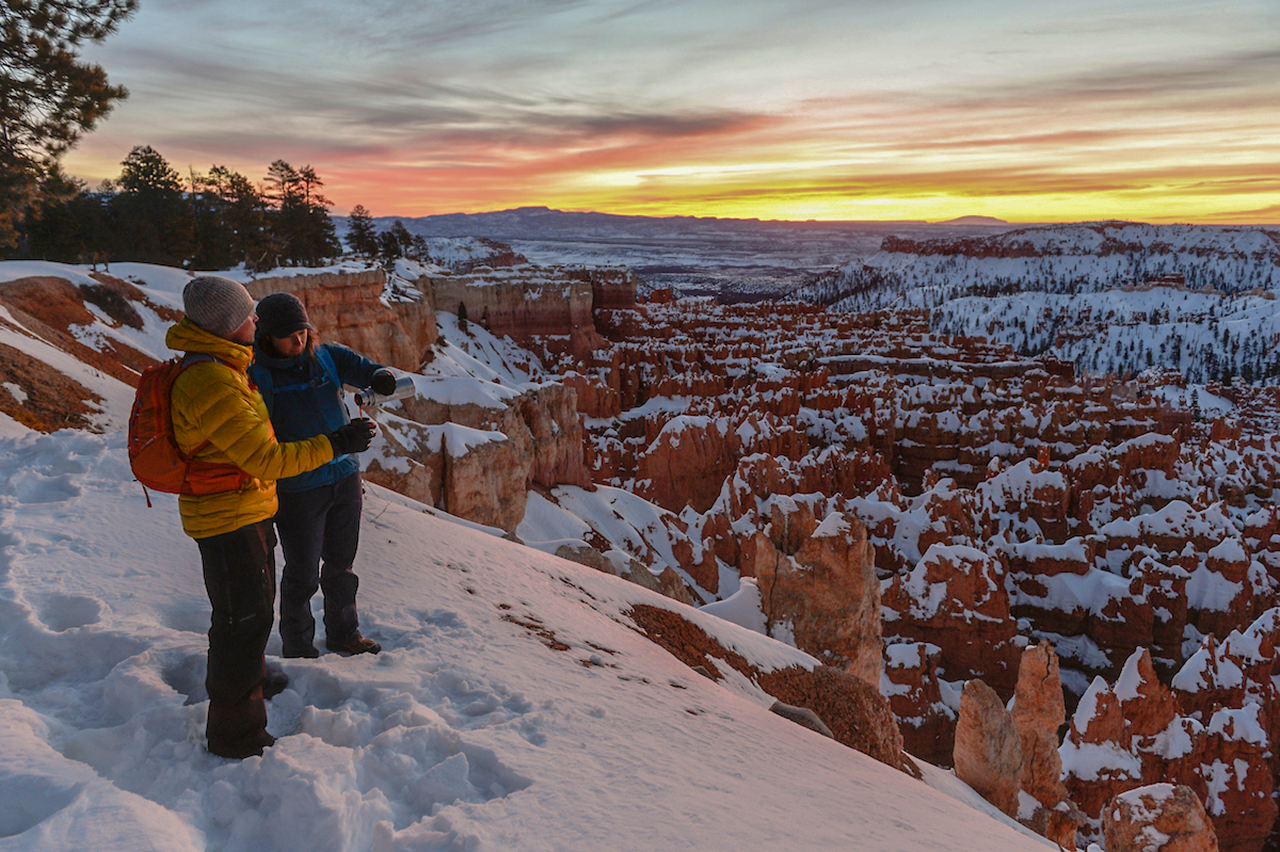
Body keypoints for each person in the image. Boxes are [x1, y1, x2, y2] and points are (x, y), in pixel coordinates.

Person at [167, 275, 375, 759]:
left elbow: (350, 365)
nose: (255, 320)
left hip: (247, 507)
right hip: (236, 513)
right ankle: (238, 737)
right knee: (244, 620)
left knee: (251, 615)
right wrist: (338, 442)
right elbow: (266, 458)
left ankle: (260, 682)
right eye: (248, 315)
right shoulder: (214, 381)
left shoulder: (230, 367)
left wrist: (370, 387)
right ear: (233, 326)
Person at [248, 292, 397, 660]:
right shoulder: (258, 375)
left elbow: (360, 367)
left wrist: (379, 376)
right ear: (266, 335)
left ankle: (344, 634)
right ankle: (298, 647)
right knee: (302, 573)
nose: (297, 341)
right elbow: (258, 439)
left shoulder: (325, 356)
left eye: (302, 331)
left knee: (341, 567)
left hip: (345, 477)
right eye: (287, 334)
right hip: (299, 488)